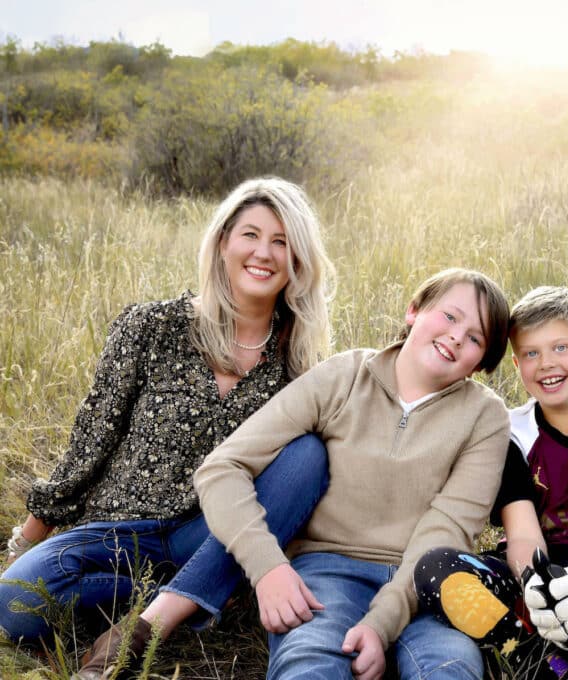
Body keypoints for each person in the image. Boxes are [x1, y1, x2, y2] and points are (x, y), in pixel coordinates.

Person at [0, 177, 335, 677]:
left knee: (309, 453)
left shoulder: (299, 367)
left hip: (211, 530)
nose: (264, 252)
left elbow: (294, 482)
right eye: (251, 234)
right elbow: (92, 438)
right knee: (12, 604)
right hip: (116, 528)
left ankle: (152, 621)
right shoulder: (151, 326)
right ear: (223, 242)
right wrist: (30, 537)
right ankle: (202, 591)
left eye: (282, 241)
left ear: (297, 261)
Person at [190, 267, 511, 680]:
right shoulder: (344, 376)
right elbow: (223, 466)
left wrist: (381, 623)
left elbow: (446, 527)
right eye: (450, 317)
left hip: (428, 584)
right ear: (414, 311)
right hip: (328, 571)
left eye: (475, 338)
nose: (456, 336)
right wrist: (267, 567)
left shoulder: (484, 417)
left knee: (452, 667)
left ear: (480, 362)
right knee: (307, 662)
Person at [415, 286, 568, 680]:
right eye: (531, 353)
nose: (546, 364)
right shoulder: (511, 431)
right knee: (434, 568)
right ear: (517, 365)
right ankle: (531, 656)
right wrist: (533, 582)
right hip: (541, 585)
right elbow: (522, 534)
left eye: (560, 348)